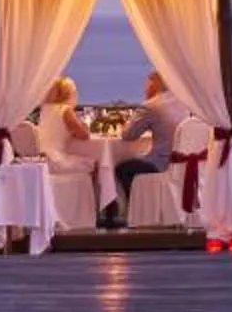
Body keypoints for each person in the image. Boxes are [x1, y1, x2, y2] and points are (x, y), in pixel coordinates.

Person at [103, 70, 187, 227]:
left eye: (147, 83)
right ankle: (151, 210)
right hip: (185, 163)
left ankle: (134, 212)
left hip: (161, 164)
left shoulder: (152, 106)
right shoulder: (185, 103)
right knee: (136, 162)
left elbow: (128, 135)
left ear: (154, 85)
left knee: (122, 168)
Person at [35, 76, 117, 223]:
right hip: (56, 160)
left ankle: (86, 213)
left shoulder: (45, 109)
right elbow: (84, 135)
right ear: (68, 93)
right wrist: (82, 126)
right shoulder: (65, 110)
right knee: (94, 165)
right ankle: (95, 214)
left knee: (85, 162)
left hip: (43, 159)